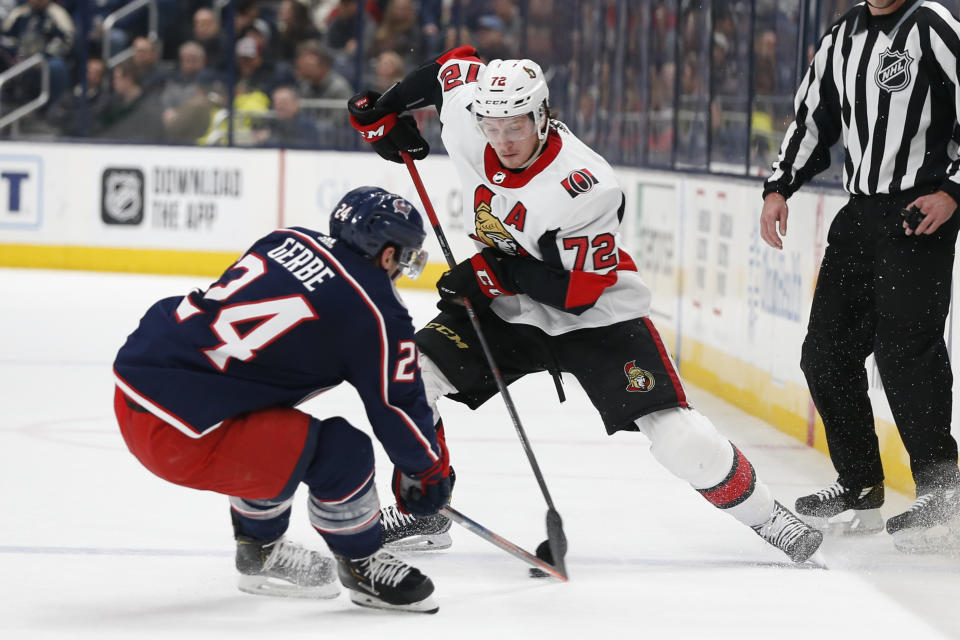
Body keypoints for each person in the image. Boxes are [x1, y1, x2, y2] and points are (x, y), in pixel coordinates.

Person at [346, 46, 824, 563]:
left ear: (543, 114)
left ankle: (769, 518)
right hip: (508, 308)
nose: (503, 139)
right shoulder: (469, 119)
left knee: (680, 441)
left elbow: (578, 293)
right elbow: (452, 65)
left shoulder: (585, 185)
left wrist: (489, 273)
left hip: (596, 317)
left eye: (517, 125)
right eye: (493, 125)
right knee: (409, 378)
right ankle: (426, 509)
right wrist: (385, 110)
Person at [112, 187, 451, 613]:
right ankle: (361, 564)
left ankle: (260, 552)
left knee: (282, 432)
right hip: (182, 435)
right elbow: (396, 404)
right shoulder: (377, 311)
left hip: (139, 389)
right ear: (386, 253)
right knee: (343, 453)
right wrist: (427, 470)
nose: (401, 267)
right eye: (404, 255)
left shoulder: (286, 239)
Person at [759, 0, 960, 552]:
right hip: (861, 212)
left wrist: (953, 191)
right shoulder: (841, 34)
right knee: (824, 355)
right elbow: (811, 118)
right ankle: (861, 487)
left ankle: (944, 497)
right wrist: (779, 187)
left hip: (920, 211)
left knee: (906, 352)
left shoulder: (931, 24)